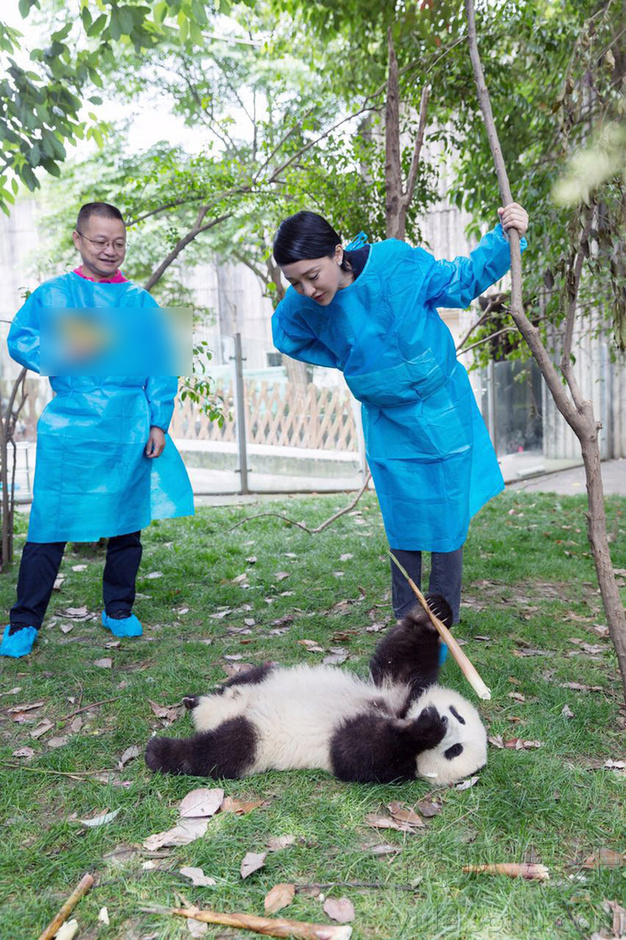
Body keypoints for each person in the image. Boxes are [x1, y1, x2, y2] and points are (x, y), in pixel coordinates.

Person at [272, 204, 528, 630]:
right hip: (387, 421)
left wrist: (505, 238)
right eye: (293, 282)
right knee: (402, 522)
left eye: (312, 276)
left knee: (447, 522)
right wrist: (347, 358)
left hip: (439, 408)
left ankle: (441, 626)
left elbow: (461, 281)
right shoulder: (302, 305)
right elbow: (287, 334)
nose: (306, 290)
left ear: (337, 253)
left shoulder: (397, 264)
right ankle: (408, 628)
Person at [0, 201, 194, 658]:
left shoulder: (140, 303)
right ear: (78, 240)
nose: (111, 251)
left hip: (129, 425)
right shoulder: (54, 296)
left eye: (119, 243)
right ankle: (23, 621)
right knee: (49, 525)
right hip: (71, 429)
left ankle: (119, 608)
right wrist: (65, 349)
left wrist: (158, 422)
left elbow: (164, 364)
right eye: (101, 241)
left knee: (127, 524)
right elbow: (19, 339)